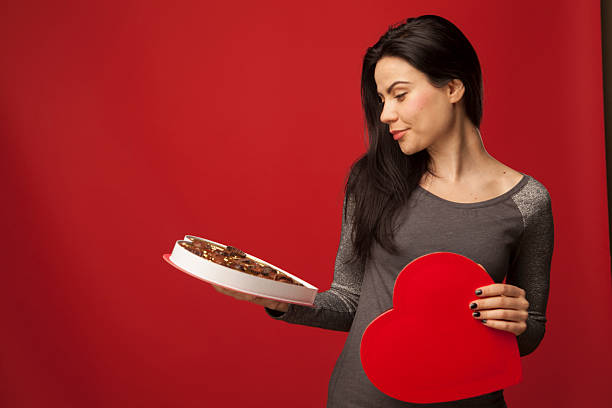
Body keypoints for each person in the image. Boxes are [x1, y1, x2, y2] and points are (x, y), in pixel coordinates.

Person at [210, 14, 554, 408]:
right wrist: (274, 296)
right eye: (381, 99)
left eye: (400, 94)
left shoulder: (528, 202)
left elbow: (531, 334)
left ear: (454, 87)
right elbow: (348, 302)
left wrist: (517, 322)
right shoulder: (371, 181)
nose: (385, 114)